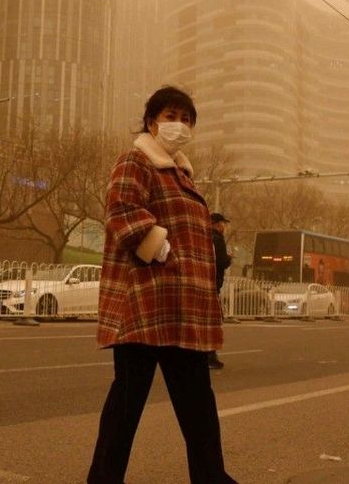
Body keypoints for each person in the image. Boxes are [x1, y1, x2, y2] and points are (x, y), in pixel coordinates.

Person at [89, 86, 236, 484]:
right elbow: (121, 210)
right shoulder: (136, 160)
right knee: (127, 402)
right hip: (146, 302)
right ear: (152, 121)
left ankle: (211, 477)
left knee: (198, 405)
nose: (180, 125)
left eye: (187, 119)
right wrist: (162, 250)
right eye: (172, 116)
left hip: (183, 308)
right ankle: (103, 479)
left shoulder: (182, 175)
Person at [208, 212, 232, 370]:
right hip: (212, 284)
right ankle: (210, 355)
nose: (224, 227)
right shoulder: (217, 239)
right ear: (216, 224)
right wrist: (229, 259)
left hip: (202, 281)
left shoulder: (202, 235)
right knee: (213, 320)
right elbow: (222, 261)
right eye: (223, 223)